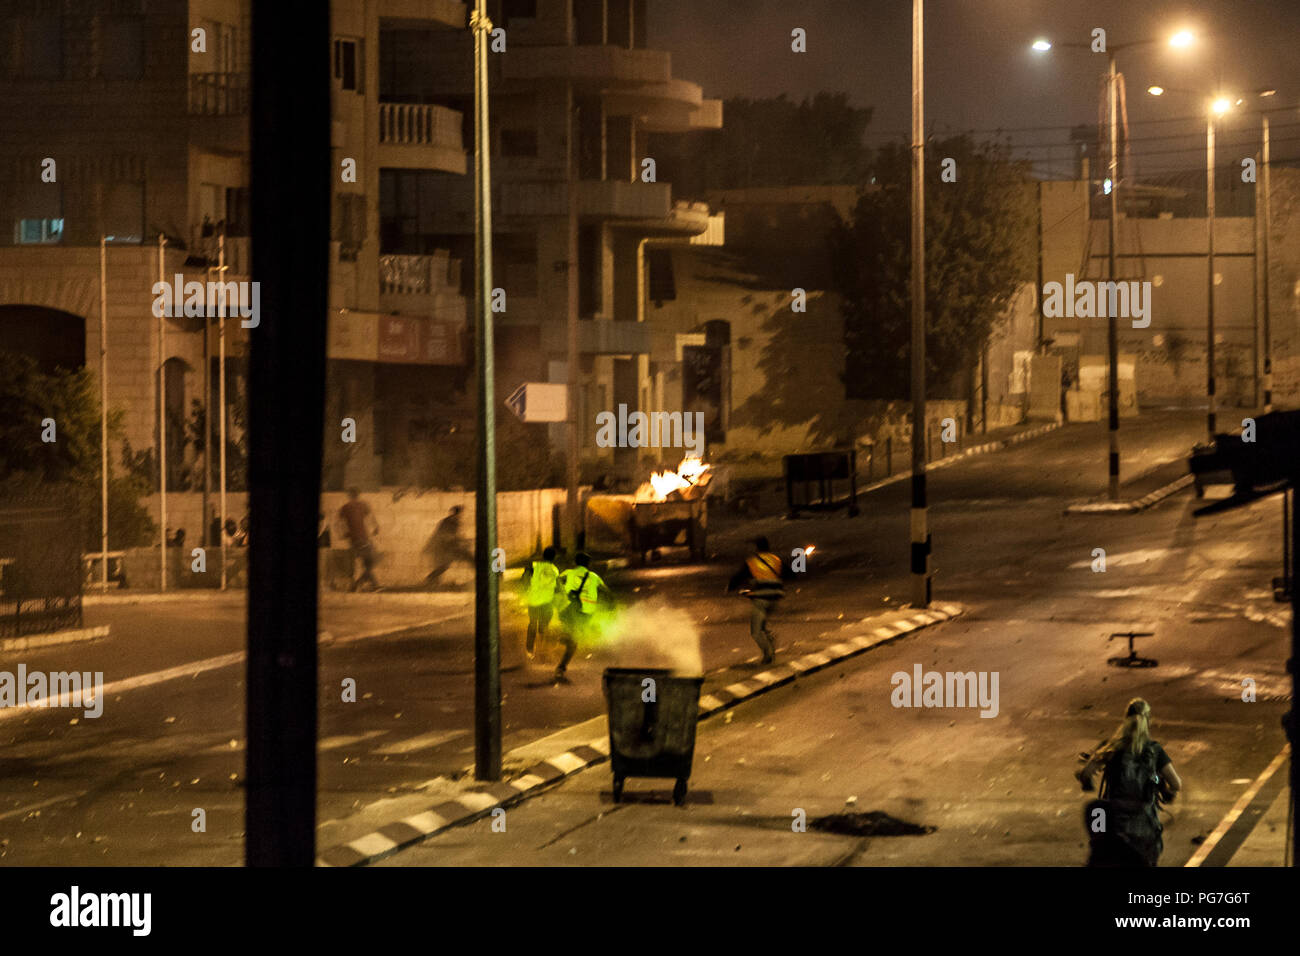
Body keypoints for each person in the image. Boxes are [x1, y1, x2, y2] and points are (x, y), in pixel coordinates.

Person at [1076, 697, 1182, 867]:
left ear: (1125, 720)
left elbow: (1085, 773)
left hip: (1114, 827)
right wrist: (1162, 785)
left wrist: (1087, 781)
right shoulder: (1154, 751)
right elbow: (1177, 784)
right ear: (1148, 721)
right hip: (1145, 830)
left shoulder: (1111, 747)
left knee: (1096, 816)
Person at [727, 535, 786, 665]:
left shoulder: (752, 562)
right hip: (775, 598)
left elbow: (738, 577)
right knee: (762, 624)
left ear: (756, 548)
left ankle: (768, 653)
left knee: (756, 631)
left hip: (760, 599)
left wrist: (730, 587)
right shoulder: (776, 559)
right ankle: (768, 638)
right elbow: (791, 573)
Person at [555, 552, 608, 682]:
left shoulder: (568, 573)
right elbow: (605, 590)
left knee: (576, 634)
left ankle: (564, 636)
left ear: (575, 562)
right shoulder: (594, 576)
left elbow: (556, 581)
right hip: (584, 613)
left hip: (567, 610)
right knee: (575, 642)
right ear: (588, 564)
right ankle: (561, 667)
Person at [339, 487, 380, 592]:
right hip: (363, 538)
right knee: (369, 563)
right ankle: (370, 585)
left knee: (366, 563)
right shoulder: (363, 505)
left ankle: (356, 586)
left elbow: (340, 523)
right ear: (358, 495)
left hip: (354, 540)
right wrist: (376, 527)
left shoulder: (345, 507)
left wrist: (344, 534)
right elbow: (372, 518)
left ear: (349, 495)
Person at [521, 546, 560, 659]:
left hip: (533, 601)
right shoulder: (555, 570)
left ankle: (530, 650)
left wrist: (527, 588)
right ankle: (544, 650)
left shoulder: (534, 566)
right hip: (547, 602)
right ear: (554, 558)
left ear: (543, 556)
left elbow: (525, 577)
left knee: (532, 623)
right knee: (544, 626)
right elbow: (557, 587)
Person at [425, 505, 473, 588]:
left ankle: (431, 578)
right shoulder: (448, 522)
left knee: (467, 558)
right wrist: (462, 541)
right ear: (456, 514)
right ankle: (431, 578)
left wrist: (464, 541)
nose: (462, 516)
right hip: (445, 548)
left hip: (450, 548)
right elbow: (445, 536)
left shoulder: (452, 522)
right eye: (460, 514)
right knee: (445, 565)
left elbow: (456, 536)